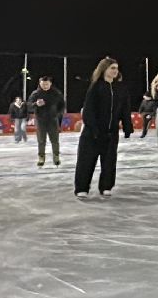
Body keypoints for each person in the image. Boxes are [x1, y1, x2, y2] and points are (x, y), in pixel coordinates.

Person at [74, 57, 134, 199]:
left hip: (111, 133)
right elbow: (88, 110)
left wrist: (127, 126)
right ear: (104, 69)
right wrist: (93, 129)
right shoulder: (96, 86)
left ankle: (106, 186)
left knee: (109, 161)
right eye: (112, 68)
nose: (115, 71)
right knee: (86, 161)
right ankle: (82, 188)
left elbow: (125, 109)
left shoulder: (121, 89)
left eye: (116, 68)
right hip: (92, 133)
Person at [29, 76, 67, 167]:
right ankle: (41, 158)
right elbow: (28, 105)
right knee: (41, 140)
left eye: (46, 84)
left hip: (53, 120)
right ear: (40, 84)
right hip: (40, 120)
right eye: (43, 84)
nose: (45, 86)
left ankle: (56, 157)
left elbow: (62, 105)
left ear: (50, 83)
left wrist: (57, 113)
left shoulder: (56, 93)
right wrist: (36, 104)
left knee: (55, 140)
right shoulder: (35, 94)